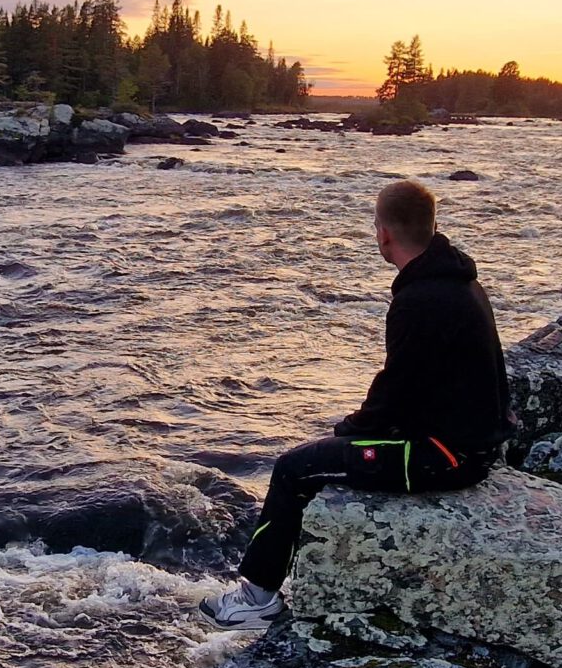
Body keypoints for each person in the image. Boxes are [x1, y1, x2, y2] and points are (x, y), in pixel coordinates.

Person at [199, 178, 512, 628]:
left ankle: (258, 597)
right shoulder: (460, 282)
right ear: (430, 225)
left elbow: (395, 395)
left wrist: (349, 431)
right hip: (472, 444)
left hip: (440, 456)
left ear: (383, 232)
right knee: (322, 454)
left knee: (293, 468)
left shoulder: (420, 299)